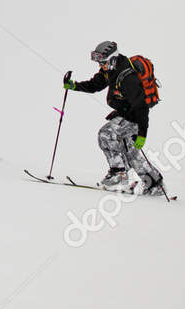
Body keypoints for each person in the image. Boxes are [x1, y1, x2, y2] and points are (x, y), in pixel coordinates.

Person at [64, 40, 165, 196]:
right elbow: (95, 85)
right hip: (126, 113)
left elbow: (141, 106)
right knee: (131, 153)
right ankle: (154, 185)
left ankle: (118, 174)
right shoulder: (110, 70)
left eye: (103, 62)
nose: (100, 66)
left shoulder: (127, 77)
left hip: (135, 116)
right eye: (99, 62)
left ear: (112, 58)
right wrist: (75, 86)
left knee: (106, 134)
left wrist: (142, 134)